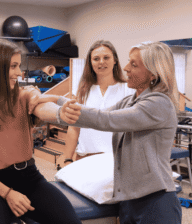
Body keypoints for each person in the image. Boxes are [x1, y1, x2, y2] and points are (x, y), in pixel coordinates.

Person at [0, 38, 81, 224]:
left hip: (30, 178)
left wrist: (61, 111)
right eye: (13, 66)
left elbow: (43, 107)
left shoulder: (24, 96)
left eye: (19, 66)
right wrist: (8, 194)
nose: (19, 73)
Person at [51, 41, 182, 223]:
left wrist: (53, 102)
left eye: (134, 65)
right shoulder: (130, 101)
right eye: (128, 62)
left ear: (153, 73)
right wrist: (51, 101)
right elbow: (101, 114)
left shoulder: (158, 103)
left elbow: (106, 120)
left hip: (155, 201)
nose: (126, 68)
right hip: (128, 200)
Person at [63, 40, 134, 167]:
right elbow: (74, 127)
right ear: (90, 62)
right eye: (96, 58)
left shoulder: (128, 89)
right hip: (85, 158)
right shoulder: (81, 91)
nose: (101, 62)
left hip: (117, 160)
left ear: (115, 60)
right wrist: (67, 159)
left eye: (106, 57)